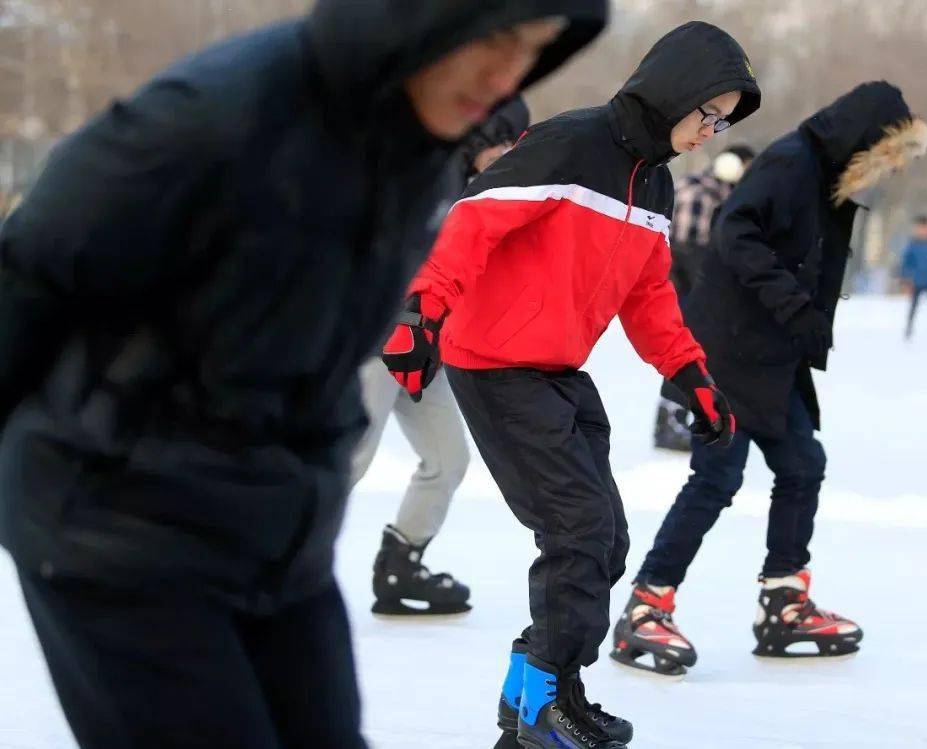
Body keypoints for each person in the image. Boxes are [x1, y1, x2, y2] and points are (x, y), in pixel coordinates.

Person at [0, 2, 607, 747]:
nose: (507, 74)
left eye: (532, 50)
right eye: (493, 40)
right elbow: (23, 285)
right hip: (121, 534)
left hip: (278, 534)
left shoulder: (417, 148)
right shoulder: (209, 119)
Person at [383, 21, 760, 749]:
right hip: (494, 363)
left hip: (556, 369)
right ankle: (540, 709)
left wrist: (689, 373)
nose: (711, 131)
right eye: (707, 112)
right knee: (577, 532)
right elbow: (473, 219)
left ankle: (543, 692)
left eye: (724, 121)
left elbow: (649, 295)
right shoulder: (572, 143)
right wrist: (422, 309)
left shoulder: (653, 181)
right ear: (675, 91)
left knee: (605, 538)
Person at [615, 82, 927, 675]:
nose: (881, 174)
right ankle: (645, 605)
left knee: (801, 464)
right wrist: (793, 306)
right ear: (862, 140)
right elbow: (735, 230)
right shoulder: (791, 163)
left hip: (767, 356)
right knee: (716, 478)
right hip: (732, 352)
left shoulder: (820, 171)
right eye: (883, 158)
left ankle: (783, 601)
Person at [354, 98, 531, 618]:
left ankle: (401, 565)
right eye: (504, 140)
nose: (509, 153)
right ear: (479, 136)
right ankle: (268, 565)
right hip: (379, 334)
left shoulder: (481, 191)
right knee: (349, 460)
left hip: (422, 344)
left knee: (448, 458)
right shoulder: (424, 179)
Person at [655, 144, 756, 451]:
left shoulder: (692, 184)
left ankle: (678, 420)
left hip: (676, 284)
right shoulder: (710, 195)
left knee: (686, 353)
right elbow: (692, 250)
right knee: (687, 352)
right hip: (693, 286)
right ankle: (672, 422)